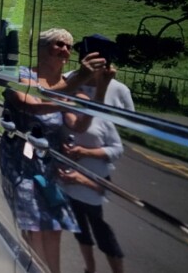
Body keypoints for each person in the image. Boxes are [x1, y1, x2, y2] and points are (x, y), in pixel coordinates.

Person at [0, 28, 108, 273]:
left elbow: (78, 123)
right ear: (41, 48)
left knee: (54, 227)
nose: (65, 50)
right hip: (21, 164)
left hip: (49, 167)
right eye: (59, 44)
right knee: (35, 228)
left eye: (69, 46)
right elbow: (34, 106)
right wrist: (77, 81)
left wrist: (100, 88)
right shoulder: (23, 76)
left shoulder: (68, 85)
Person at [59, 101, 125, 273]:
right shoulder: (63, 116)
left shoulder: (101, 119)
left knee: (103, 233)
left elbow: (117, 149)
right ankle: (89, 269)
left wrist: (85, 152)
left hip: (95, 187)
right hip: (71, 186)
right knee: (80, 230)